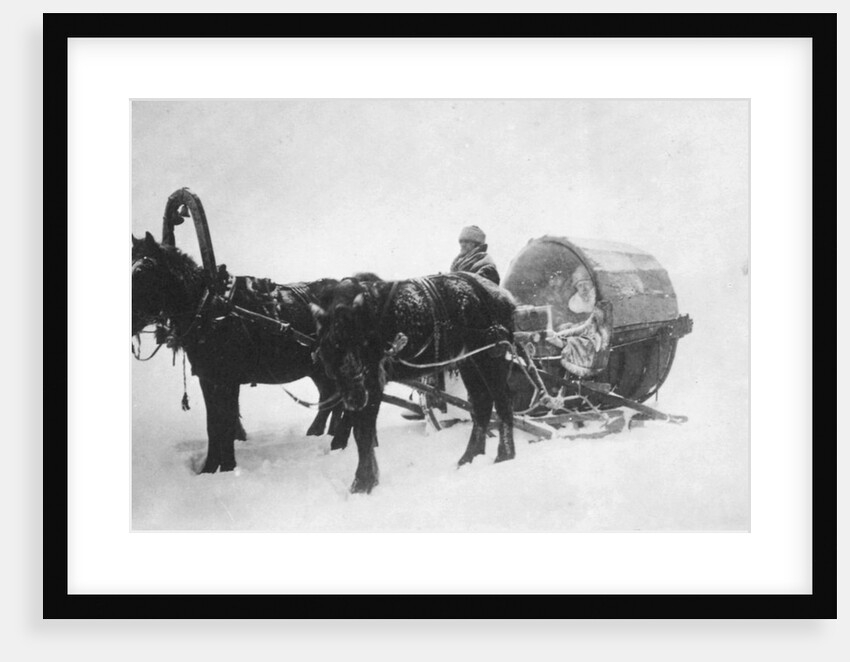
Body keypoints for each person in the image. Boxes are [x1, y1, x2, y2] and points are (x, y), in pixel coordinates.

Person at [551, 265, 609, 378]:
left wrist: (566, 332)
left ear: (592, 284)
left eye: (586, 283)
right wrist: (565, 328)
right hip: (578, 334)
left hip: (593, 341)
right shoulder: (573, 303)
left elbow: (591, 326)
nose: (583, 288)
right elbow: (570, 322)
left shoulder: (599, 303)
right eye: (579, 285)